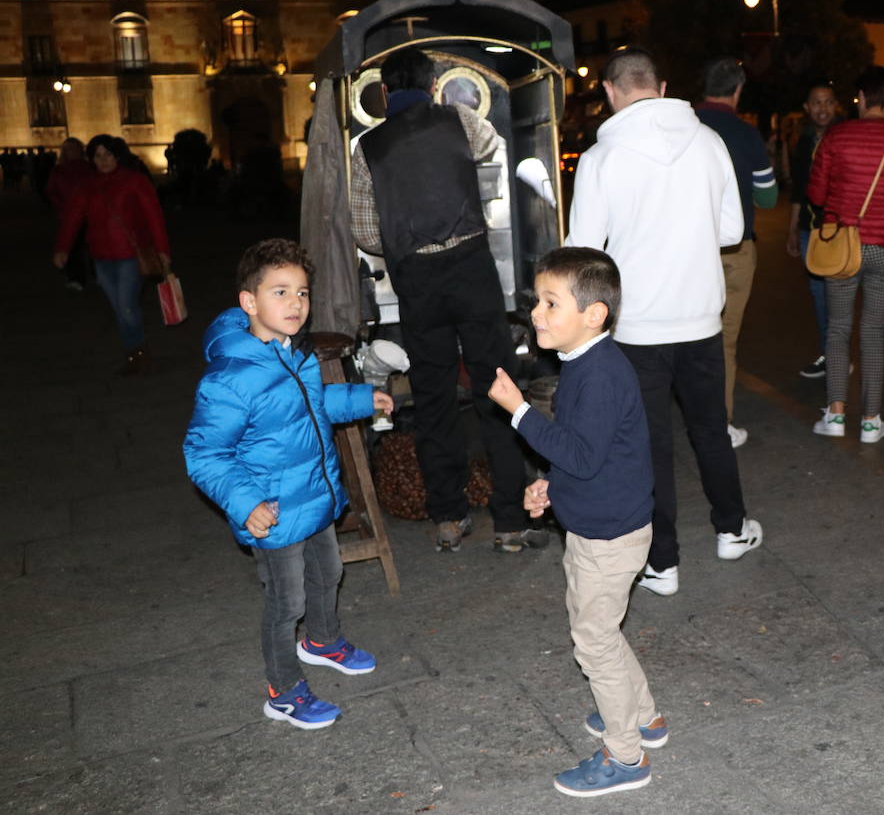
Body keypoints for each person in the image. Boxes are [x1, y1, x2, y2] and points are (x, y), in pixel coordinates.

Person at [565, 45, 762, 598]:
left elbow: (585, 251)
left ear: (609, 90)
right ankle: (731, 529)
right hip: (700, 314)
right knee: (710, 430)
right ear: (662, 83)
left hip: (636, 327)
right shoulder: (709, 141)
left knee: (649, 444)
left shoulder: (602, 158)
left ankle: (663, 562)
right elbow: (731, 232)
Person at [184, 239, 393, 730]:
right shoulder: (231, 379)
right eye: (280, 292)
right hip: (274, 512)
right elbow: (203, 453)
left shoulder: (292, 354)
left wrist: (365, 399)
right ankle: (283, 689)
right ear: (249, 303)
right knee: (286, 602)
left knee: (329, 572)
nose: (296, 303)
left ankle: (322, 640)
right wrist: (246, 503)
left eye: (302, 292)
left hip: (314, 497)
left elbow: (315, 405)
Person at [488, 248, 665, 798]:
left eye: (550, 302)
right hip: (599, 523)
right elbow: (591, 455)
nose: (537, 313)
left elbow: (584, 455)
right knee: (599, 630)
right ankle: (645, 719)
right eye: (537, 301)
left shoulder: (600, 374)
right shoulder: (587, 365)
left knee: (593, 641)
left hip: (610, 535)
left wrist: (519, 411)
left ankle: (626, 757)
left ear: (594, 315)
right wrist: (553, 485)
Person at [350, 47, 541, 554]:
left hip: (417, 282)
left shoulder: (368, 148)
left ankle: (449, 516)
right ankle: (510, 520)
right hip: (471, 269)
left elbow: (367, 234)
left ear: (385, 91)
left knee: (433, 398)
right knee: (496, 387)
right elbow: (486, 148)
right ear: (434, 85)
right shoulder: (459, 119)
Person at [807, 65, 884, 445]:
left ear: (861, 97)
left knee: (838, 329)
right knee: (874, 331)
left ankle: (836, 415)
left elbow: (816, 195)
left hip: (843, 246)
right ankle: (872, 421)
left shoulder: (837, 137)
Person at [695, 56, 778, 448]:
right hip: (734, 249)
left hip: (688, 248)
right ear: (738, 89)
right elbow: (769, 196)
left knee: (686, 334)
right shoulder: (745, 134)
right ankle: (720, 422)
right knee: (724, 338)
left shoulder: (686, 127)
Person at [53, 134, 171, 375]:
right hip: (101, 257)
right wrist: (63, 248)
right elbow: (73, 218)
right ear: (92, 159)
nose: (103, 160)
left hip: (130, 255)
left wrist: (162, 251)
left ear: (117, 155)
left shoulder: (134, 181)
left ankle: (136, 353)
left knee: (126, 306)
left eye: (108, 155)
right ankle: (136, 350)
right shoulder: (87, 185)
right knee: (119, 307)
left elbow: (154, 217)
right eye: (98, 156)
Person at [787, 80, 841, 378]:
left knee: (840, 296)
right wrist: (793, 229)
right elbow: (798, 188)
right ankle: (829, 356)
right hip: (811, 230)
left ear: (837, 105)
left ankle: (837, 356)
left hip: (841, 230)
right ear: (807, 108)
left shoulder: (845, 136)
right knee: (819, 294)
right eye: (816, 102)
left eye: (828, 101)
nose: (823, 108)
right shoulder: (804, 141)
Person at [46, 137, 95, 292]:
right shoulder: (59, 170)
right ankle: (76, 278)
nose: (71, 152)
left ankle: (98, 273)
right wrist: (63, 206)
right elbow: (51, 191)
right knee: (73, 248)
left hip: (90, 214)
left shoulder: (89, 168)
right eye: (68, 149)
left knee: (95, 245)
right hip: (68, 214)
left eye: (74, 148)